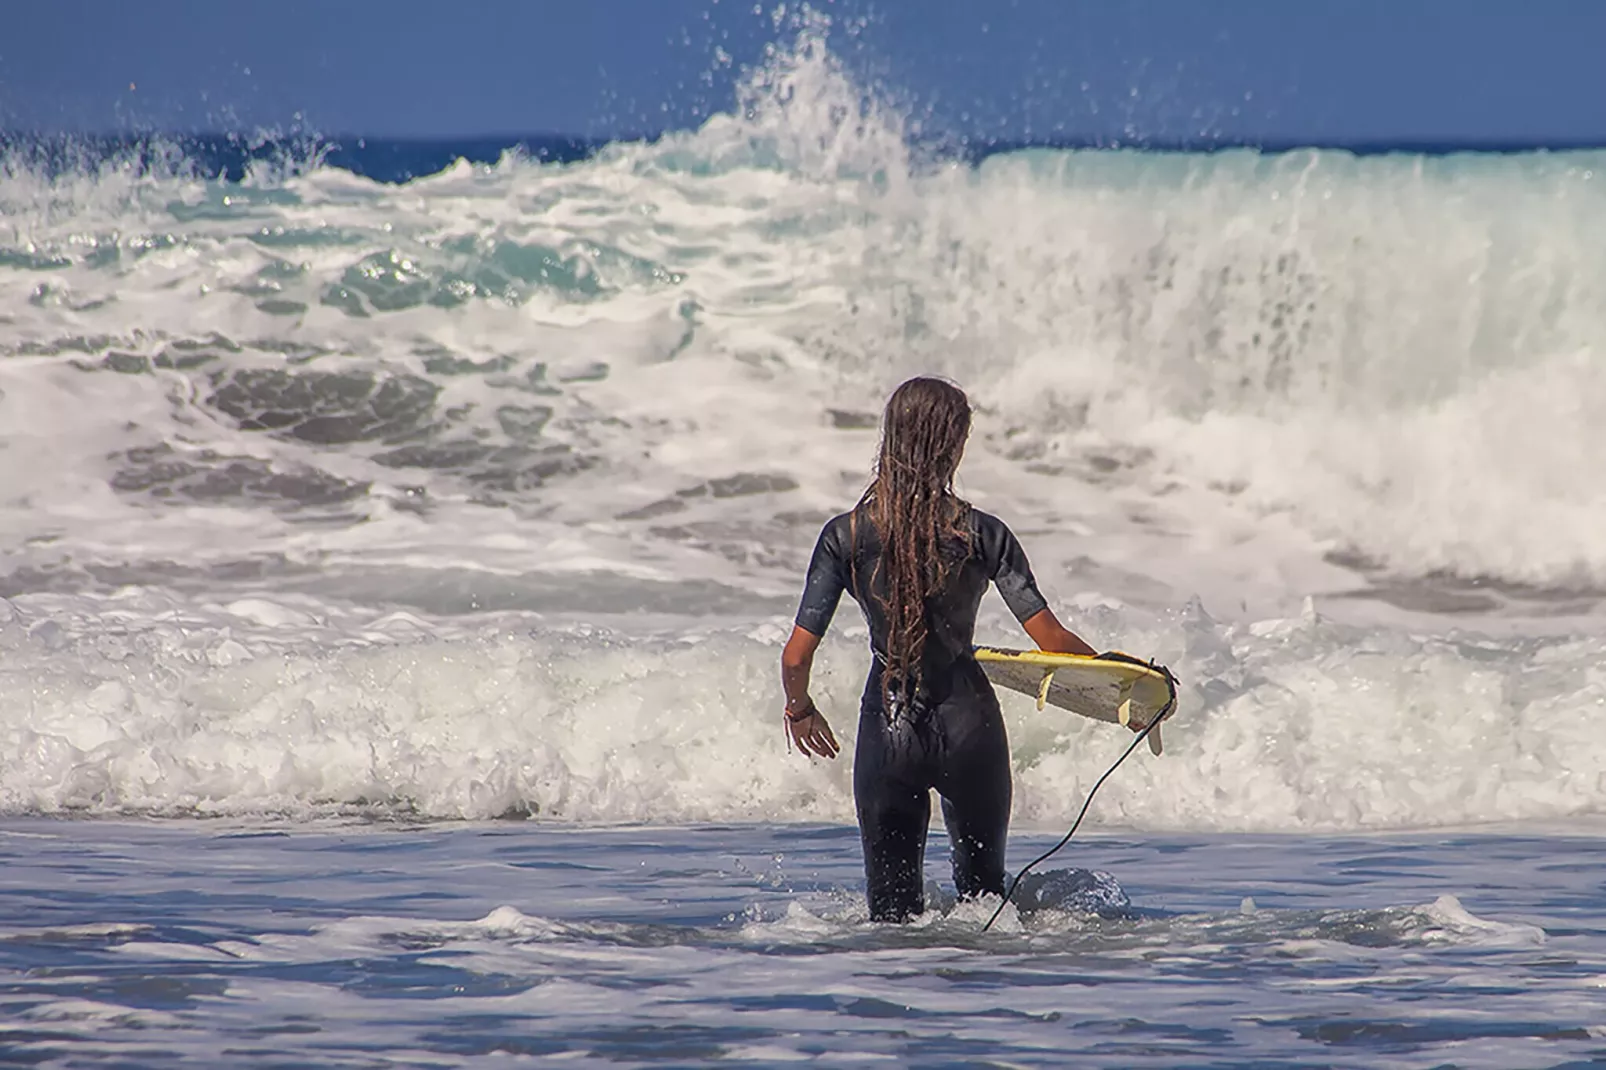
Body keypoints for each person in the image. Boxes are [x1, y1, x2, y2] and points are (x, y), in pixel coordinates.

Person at [779, 376, 1101, 923]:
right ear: (952, 446)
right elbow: (1051, 642)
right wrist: (1119, 677)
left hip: (889, 728)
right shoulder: (983, 533)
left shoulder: (845, 536)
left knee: (891, 917)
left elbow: (795, 656)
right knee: (985, 909)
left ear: (890, 439)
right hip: (971, 727)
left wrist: (800, 707)